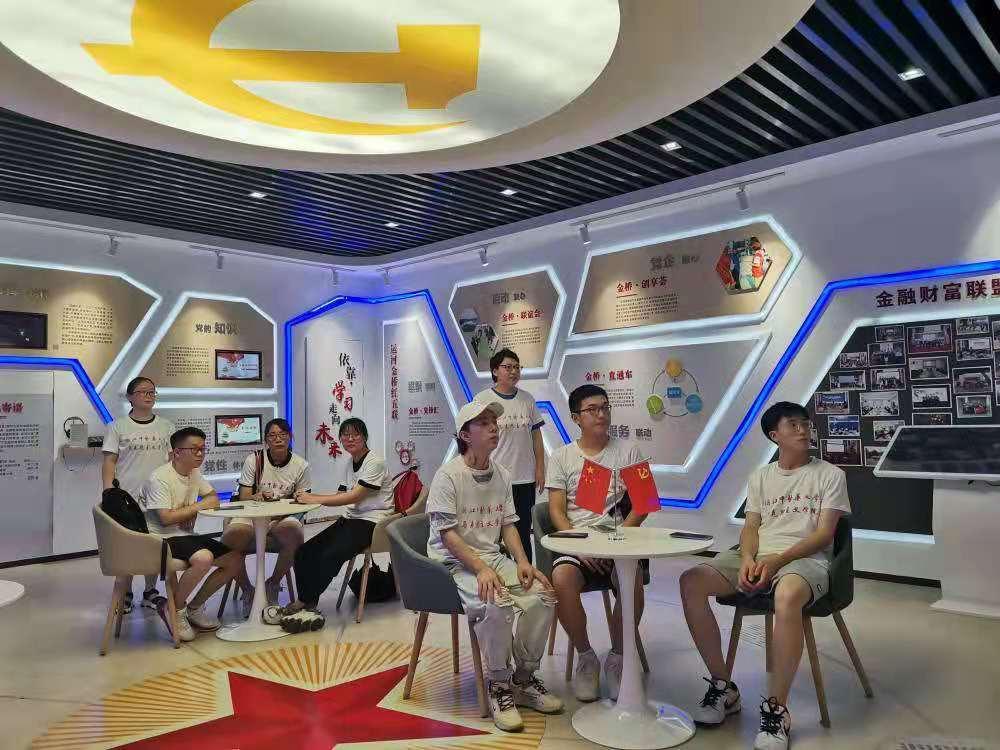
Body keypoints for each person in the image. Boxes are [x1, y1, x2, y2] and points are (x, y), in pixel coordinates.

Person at [678, 402, 852, 750]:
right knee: (691, 581)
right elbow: (751, 527)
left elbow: (824, 535)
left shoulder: (830, 475)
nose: (803, 430)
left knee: (787, 596)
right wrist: (747, 559)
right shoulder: (760, 476)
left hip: (804, 559)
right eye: (793, 425)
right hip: (758, 556)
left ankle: (777, 710)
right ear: (775, 435)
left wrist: (777, 561)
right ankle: (723, 687)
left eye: (805, 424)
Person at [427, 400, 562, 732]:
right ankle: (499, 684)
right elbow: (447, 535)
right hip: (453, 562)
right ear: (465, 435)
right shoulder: (448, 476)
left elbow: (508, 525)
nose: (494, 427)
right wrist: (480, 568)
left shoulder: (502, 473)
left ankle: (524, 679)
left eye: (494, 422)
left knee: (543, 594)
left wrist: (523, 562)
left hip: (492, 558)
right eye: (484, 423)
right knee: (497, 601)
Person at [545, 383, 649, 702]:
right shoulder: (562, 457)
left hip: (620, 540)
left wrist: (617, 541)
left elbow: (643, 504)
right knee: (561, 578)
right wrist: (579, 545)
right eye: (592, 410)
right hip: (580, 544)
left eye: (604, 407)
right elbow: (556, 511)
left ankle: (617, 658)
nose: (601, 414)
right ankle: (586, 657)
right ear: (576, 418)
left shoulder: (629, 451)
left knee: (631, 580)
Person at [276, 418, 393, 632]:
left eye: (355, 434)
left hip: (372, 522)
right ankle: (309, 601)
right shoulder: (349, 462)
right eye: (345, 435)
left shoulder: (375, 462)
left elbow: (354, 496)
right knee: (304, 552)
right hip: (351, 519)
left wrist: (314, 499)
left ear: (365, 437)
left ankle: (304, 602)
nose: (350, 439)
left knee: (331, 554)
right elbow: (341, 494)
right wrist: (310, 499)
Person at [138, 427, 244, 641]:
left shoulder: (194, 473)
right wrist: (195, 508)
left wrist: (187, 511)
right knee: (203, 558)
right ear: (177, 452)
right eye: (194, 449)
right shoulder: (159, 478)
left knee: (235, 560)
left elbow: (213, 497)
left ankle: (194, 608)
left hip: (185, 534)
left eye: (203, 449)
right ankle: (174, 610)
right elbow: (166, 518)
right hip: (161, 538)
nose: (200, 454)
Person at [220, 418, 310, 616]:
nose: (278, 439)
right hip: (251, 515)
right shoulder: (254, 460)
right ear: (266, 440)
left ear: (290, 437)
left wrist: (289, 503)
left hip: (280, 517)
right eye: (272, 435)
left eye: (283, 434)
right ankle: (247, 590)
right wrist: (257, 495)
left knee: (295, 532)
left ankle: (273, 583)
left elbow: (305, 499)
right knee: (232, 536)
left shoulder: (301, 465)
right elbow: (244, 496)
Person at [101, 376, 175, 614]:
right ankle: (126, 593)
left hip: (158, 498)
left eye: (152, 392)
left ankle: (150, 591)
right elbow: (109, 461)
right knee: (128, 548)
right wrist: (108, 492)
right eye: (143, 392)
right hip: (127, 499)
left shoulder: (166, 427)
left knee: (154, 546)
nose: (149, 396)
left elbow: (172, 462)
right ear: (130, 397)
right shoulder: (117, 426)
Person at [474, 348, 545, 563]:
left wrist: (540, 468)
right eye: (508, 367)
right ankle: (496, 572)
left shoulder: (527, 399)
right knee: (493, 531)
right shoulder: (483, 399)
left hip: (524, 478)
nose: (514, 371)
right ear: (495, 371)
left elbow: (536, 437)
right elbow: (475, 438)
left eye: (517, 367)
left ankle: (525, 573)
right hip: (494, 477)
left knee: (522, 531)